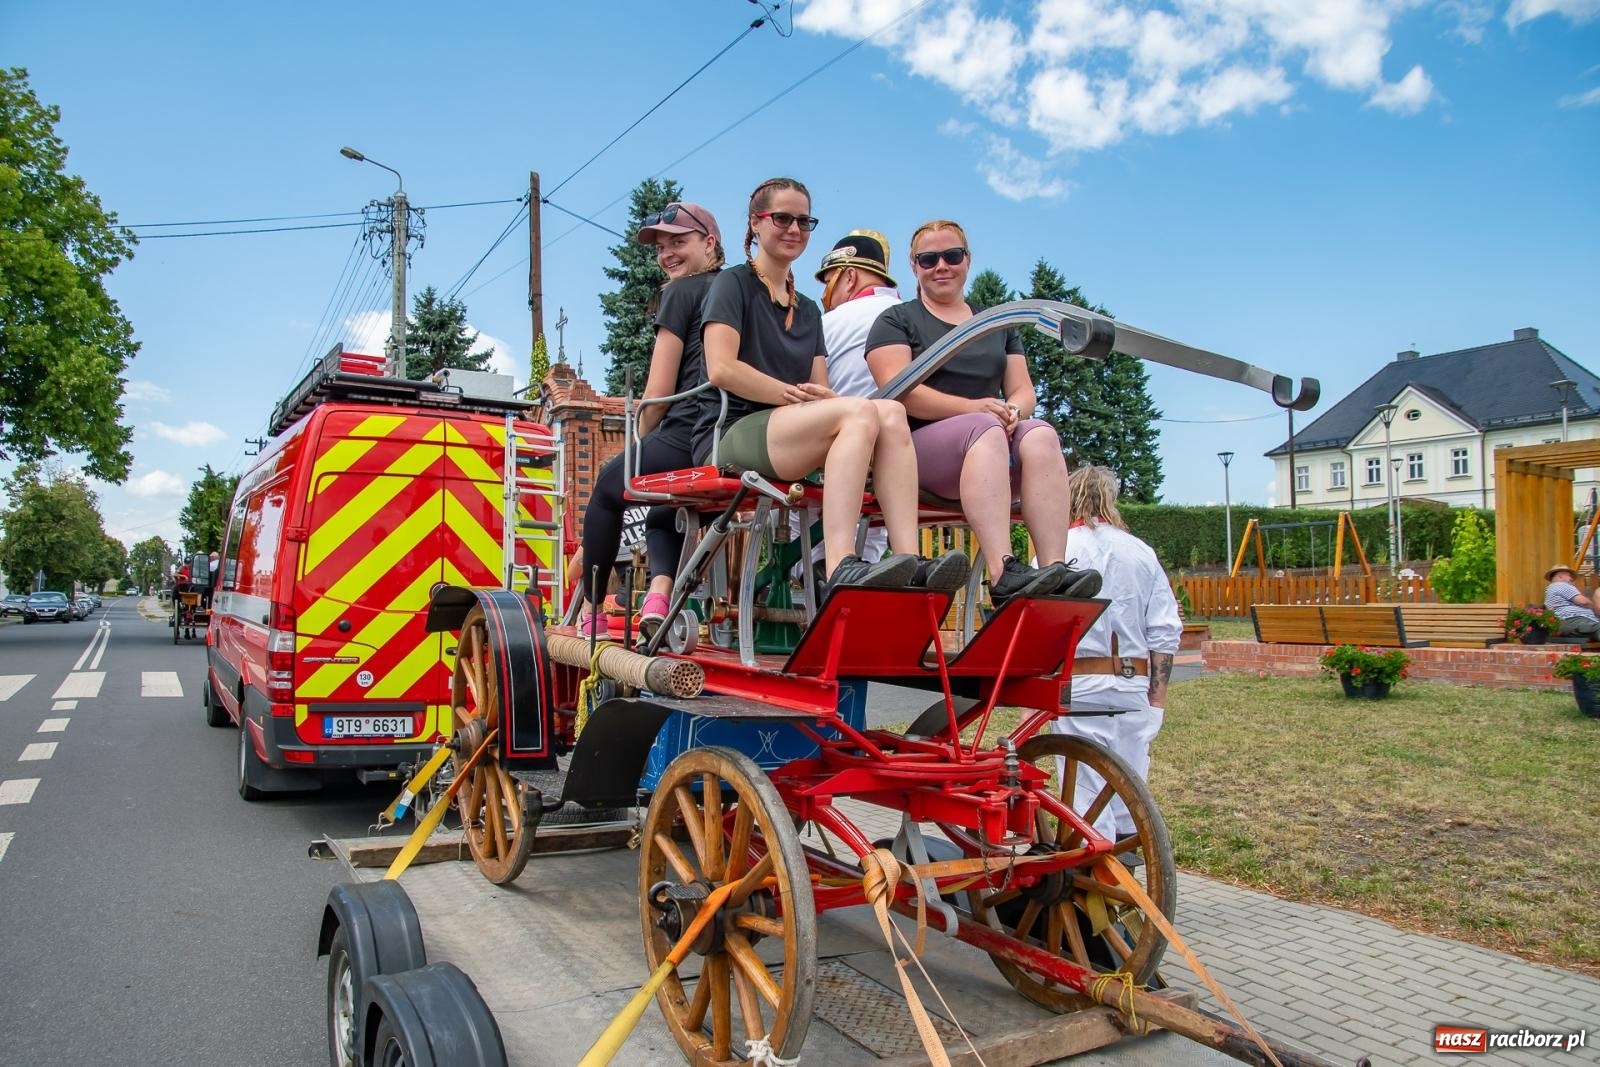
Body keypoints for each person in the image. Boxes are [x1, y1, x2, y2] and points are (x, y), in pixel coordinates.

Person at [698, 177, 966, 594]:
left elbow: (823, 388)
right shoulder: (732, 284)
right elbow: (721, 369)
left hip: (788, 429)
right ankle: (841, 562)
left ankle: (908, 557)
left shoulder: (806, 308)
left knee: (889, 411)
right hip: (732, 430)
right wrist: (792, 395)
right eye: (782, 218)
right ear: (756, 223)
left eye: (804, 221)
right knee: (860, 410)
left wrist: (818, 398)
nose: (794, 229)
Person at [864, 218, 1098, 606]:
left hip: (991, 439)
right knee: (984, 428)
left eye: (951, 256)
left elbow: (1023, 389)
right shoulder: (896, 320)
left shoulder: (997, 324)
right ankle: (1002, 570)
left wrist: (1013, 410)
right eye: (928, 259)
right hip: (918, 451)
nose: (941, 266)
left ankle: (1053, 568)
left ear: (967, 260)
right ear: (914, 267)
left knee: (1040, 433)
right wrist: (977, 409)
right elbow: (899, 391)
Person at [574, 202, 725, 638]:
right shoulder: (740, 290)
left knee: (607, 487)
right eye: (662, 246)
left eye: (679, 242)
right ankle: (659, 594)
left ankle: (594, 610)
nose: (667, 254)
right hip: (731, 431)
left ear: (709, 242)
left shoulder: (681, 293)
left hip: (688, 428)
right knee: (668, 499)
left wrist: (641, 438)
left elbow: (657, 394)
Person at [1052, 466, 1181, 845]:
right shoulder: (1141, 551)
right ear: (1111, 499)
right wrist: (1156, 699)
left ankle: (1094, 877)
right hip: (1133, 685)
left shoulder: (1059, 548)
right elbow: (1164, 630)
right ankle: (1128, 876)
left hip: (1081, 685)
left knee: (1086, 793)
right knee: (1129, 790)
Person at [789, 228, 903, 574]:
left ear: (849, 277)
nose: (825, 293)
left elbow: (800, 393)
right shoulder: (910, 317)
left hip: (834, 459)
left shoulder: (828, 323)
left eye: (829, 283)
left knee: (796, 508)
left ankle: (816, 574)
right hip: (901, 460)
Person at [1543, 564, 1600, 638]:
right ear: (1560, 576)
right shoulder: (1560, 585)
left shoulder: (1552, 588)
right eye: (1569, 576)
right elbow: (1583, 602)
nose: (1572, 579)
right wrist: (1594, 607)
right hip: (1573, 620)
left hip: (1569, 623)